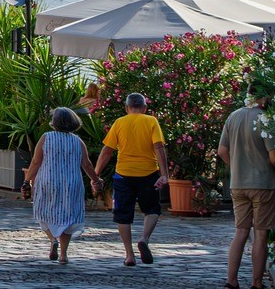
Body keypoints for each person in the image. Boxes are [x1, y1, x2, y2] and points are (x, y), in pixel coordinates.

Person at [95, 91, 173, 266]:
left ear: (126, 108)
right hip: (148, 173)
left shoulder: (119, 122)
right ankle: (144, 239)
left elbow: (107, 150)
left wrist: (96, 173)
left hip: (123, 174)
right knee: (152, 209)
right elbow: (159, 147)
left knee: (123, 214)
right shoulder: (151, 121)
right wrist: (164, 174)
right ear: (144, 107)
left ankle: (129, 255)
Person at [219, 95, 275, 289]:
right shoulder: (265, 119)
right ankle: (256, 283)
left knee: (240, 231)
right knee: (261, 234)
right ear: (263, 97)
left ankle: (231, 280)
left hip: (238, 184)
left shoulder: (233, 116)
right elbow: (274, 156)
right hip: (263, 183)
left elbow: (222, 151)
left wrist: (237, 167)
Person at [23, 107, 99, 264]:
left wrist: (26, 181)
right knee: (67, 218)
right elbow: (87, 164)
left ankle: (52, 239)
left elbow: (36, 162)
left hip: (47, 182)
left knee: (43, 212)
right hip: (71, 184)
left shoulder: (46, 138)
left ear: (54, 122)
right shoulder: (77, 141)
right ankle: (64, 254)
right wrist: (95, 180)